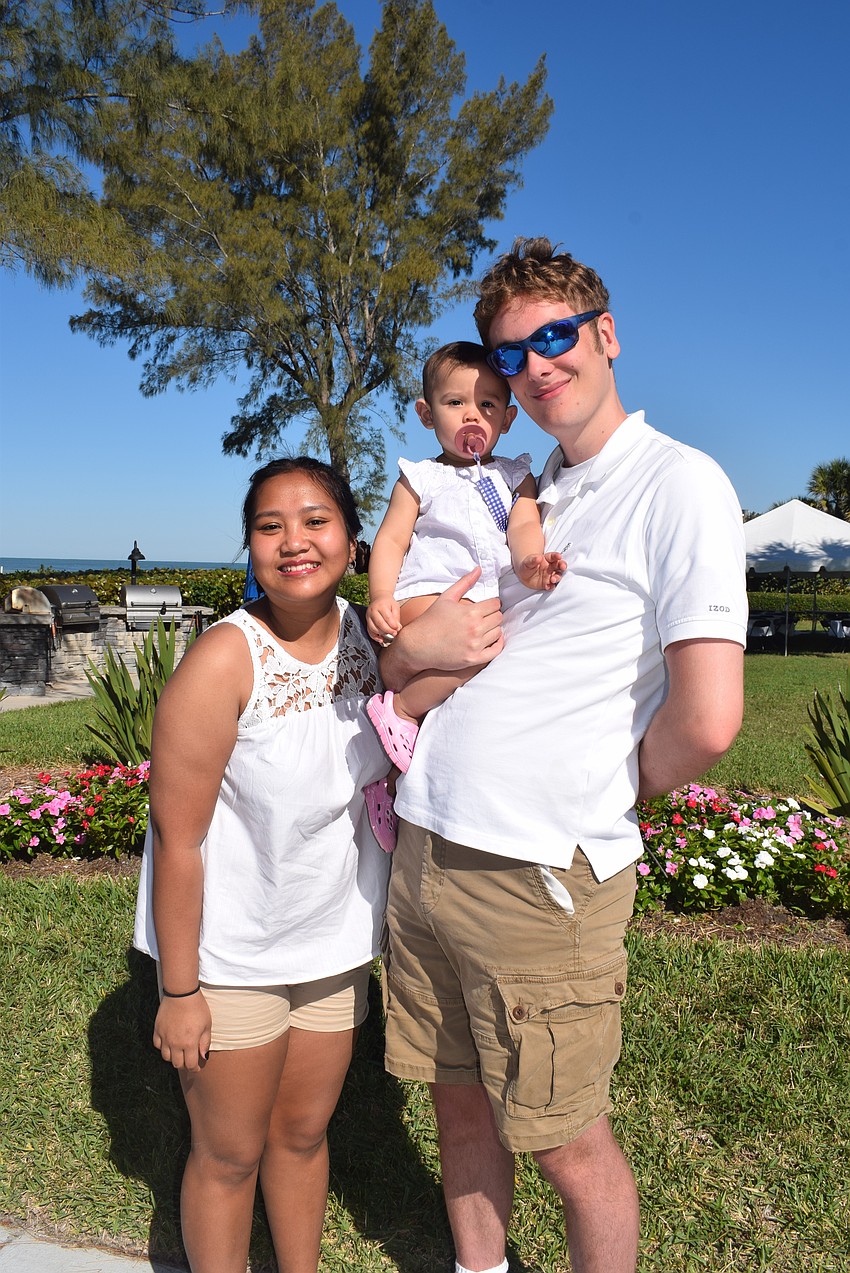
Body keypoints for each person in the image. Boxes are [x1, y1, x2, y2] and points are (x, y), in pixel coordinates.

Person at [379, 239, 747, 1273]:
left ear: (605, 333)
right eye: (511, 353)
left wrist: (600, 791)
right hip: (428, 843)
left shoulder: (678, 483)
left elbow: (709, 717)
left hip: (540, 873)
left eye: (555, 336)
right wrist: (411, 649)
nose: (536, 366)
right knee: (457, 1105)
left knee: (564, 1143)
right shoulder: (524, 487)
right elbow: (421, 653)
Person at [133, 457, 391, 1273]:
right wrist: (180, 991)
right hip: (232, 958)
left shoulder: (374, 641)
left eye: (316, 521)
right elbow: (177, 839)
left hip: (333, 946)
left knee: (302, 1136)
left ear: (353, 539)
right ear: (250, 546)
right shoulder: (223, 659)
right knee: (229, 1153)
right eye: (269, 526)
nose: (293, 542)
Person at [365, 340, 566, 775]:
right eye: (455, 402)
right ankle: (401, 710)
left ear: (507, 419)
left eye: (488, 404)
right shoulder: (421, 477)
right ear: (427, 414)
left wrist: (530, 563)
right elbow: (391, 540)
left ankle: (395, 767)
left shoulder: (515, 476)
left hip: (481, 603)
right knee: (480, 653)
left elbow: (523, 526)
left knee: (480, 658)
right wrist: (380, 595)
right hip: (426, 594)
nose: (472, 415)